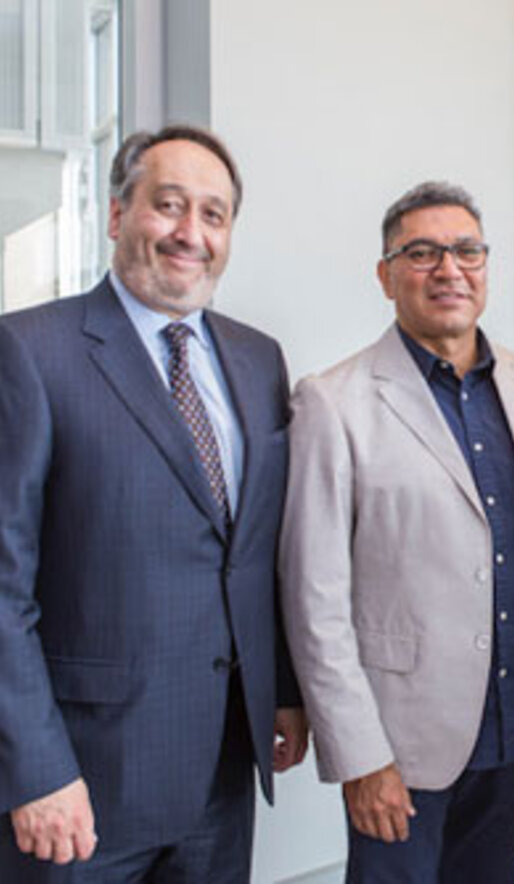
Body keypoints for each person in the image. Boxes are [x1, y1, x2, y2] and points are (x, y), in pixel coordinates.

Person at [0, 124, 308, 882]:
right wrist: (35, 769)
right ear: (116, 214)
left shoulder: (258, 359)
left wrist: (282, 690)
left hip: (221, 770)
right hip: (82, 782)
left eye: (214, 214)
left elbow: (260, 551)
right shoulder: (30, 352)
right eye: (168, 205)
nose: (190, 233)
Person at [279, 181, 514, 883]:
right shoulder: (334, 402)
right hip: (400, 741)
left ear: (486, 266)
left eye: (466, 251)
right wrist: (359, 755)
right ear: (386, 274)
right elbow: (314, 597)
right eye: (422, 253)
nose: (449, 269)